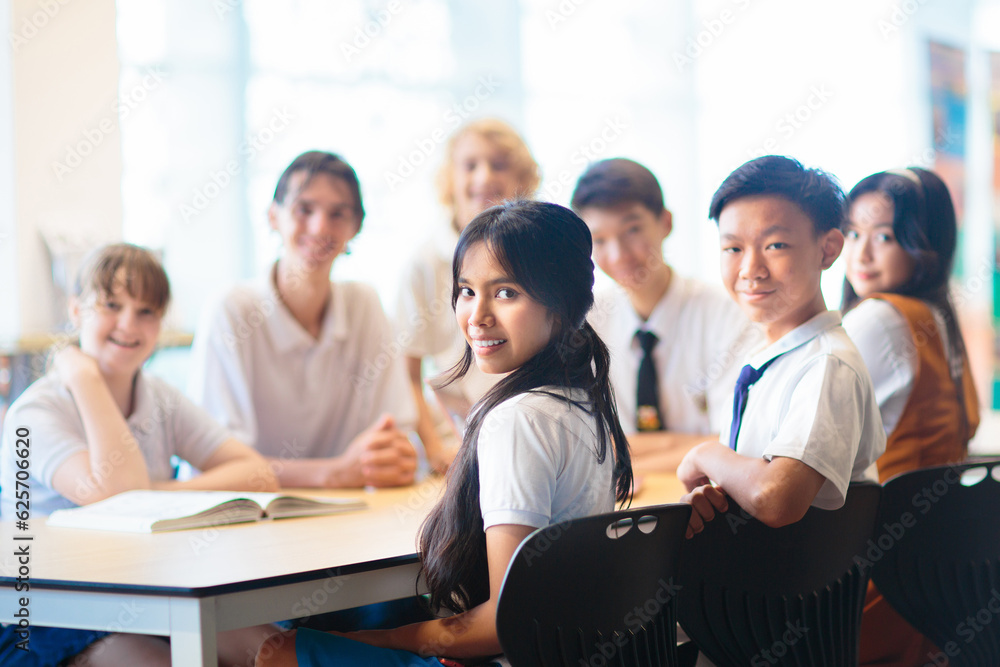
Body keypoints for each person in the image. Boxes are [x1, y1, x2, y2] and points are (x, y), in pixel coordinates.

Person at [256, 200, 633, 666]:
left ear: (562, 303)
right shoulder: (581, 403)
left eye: (507, 293)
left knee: (275, 650)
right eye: (467, 291)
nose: (478, 315)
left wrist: (391, 641)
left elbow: (503, 619)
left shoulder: (516, 421)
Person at [0, 243, 279, 667]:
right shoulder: (36, 412)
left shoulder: (159, 395)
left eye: (146, 311)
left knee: (272, 650)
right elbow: (119, 496)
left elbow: (257, 475)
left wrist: (160, 489)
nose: (129, 324)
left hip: (152, 591)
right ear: (75, 312)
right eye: (111, 305)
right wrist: (86, 379)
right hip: (47, 615)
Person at [677, 155, 885, 538]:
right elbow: (753, 482)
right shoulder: (768, 356)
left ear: (828, 249)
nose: (750, 269)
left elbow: (776, 499)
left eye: (774, 245)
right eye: (733, 249)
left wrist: (707, 454)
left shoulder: (827, 365)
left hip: (790, 593)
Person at [189, 151, 418, 488]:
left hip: (345, 514)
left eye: (337, 214)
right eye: (304, 209)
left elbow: (396, 439)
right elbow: (211, 463)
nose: (319, 227)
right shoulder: (231, 311)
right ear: (273, 217)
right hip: (244, 520)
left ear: (356, 227)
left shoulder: (365, 305)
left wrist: (391, 458)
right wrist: (333, 474)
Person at [841, 167, 980, 667]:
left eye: (886, 236)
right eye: (854, 232)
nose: (862, 253)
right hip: (939, 585)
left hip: (877, 585)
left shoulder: (878, 318)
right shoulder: (938, 316)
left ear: (927, 245)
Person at [571, 158, 751, 472]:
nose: (618, 255)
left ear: (665, 223)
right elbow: (579, 447)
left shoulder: (726, 313)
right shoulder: (585, 324)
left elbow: (734, 444)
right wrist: (695, 446)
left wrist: (619, 455)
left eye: (632, 230)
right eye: (598, 240)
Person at [395, 119, 540, 472]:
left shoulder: (537, 253)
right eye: (470, 165)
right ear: (450, 179)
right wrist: (435, 451)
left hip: (524, 437)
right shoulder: (425, 263)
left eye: (499, 164)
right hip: (454, 447)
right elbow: (408, 373)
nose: (484, 176)